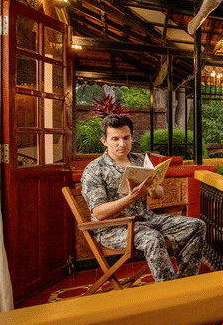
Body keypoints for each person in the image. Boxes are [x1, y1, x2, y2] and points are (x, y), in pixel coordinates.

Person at [80, 114, 205, 282]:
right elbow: (100, 213)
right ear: (104, 141)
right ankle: (167, 292)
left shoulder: (139, 160)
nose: (122, 144)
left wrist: (152, 187)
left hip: (147, 220)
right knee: (153, 238)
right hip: (114, 228)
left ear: (132, 137)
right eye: (115, 139)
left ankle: (185, 282)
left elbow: (158, 194)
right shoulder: (94, 170)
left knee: (196, 225)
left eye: (126, 138)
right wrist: (132, 197)